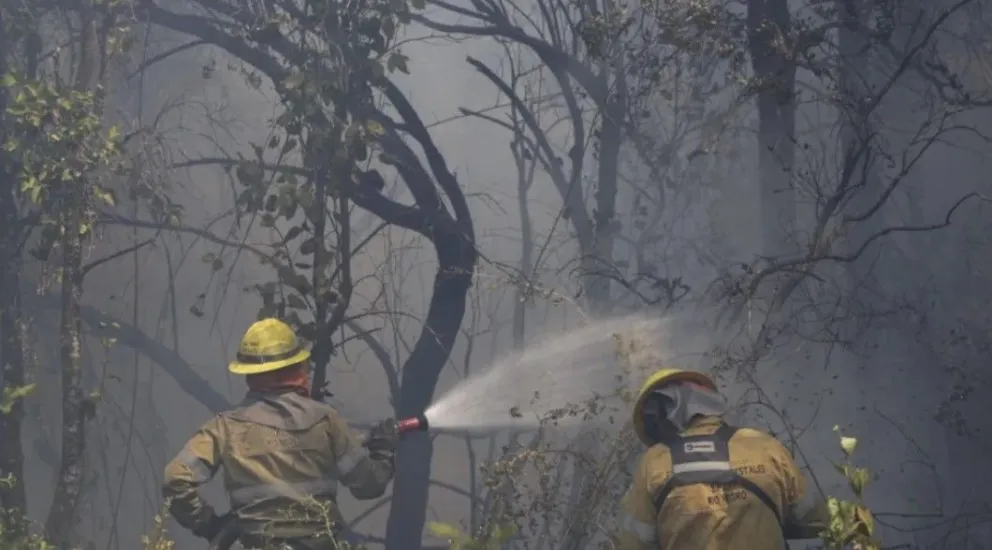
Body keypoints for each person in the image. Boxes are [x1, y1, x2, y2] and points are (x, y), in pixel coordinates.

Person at [162, 318, 398, 549]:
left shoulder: (224, 428)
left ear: (249, 375)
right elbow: (369, 486)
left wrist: (209, 525)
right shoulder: (325, 421)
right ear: (295, 369)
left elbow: (175, 479)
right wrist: (384, 451)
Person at [615, 368, 829, 550]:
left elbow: (633, 544)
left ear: (668, 408)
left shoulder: (655, 463)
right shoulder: (764, 446)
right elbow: (818, 520)